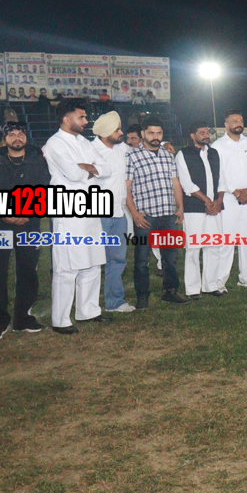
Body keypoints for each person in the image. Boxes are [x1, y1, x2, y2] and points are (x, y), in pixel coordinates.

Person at [43, 99, 113, 333]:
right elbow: (73, 173)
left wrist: (88, 168)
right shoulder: (55, 143)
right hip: (68, 209)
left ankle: (88, 311)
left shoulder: (84, 142)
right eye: (81, 117)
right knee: (66, 267)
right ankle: (61, 320)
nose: (86, 121)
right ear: (66, 118)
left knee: (93, 262)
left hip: (90, 206)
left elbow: (106, 169)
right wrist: (91, 169)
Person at [0, 123, 49, 339]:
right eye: (12, 134)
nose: (17, 138)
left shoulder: (37, 161)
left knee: (28, 270)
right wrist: (5, 215)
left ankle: (23, 317)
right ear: (4, 139)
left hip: (29, 223)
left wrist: (28, 214)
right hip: (0, 223)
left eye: (21, 134)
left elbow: (46, 190)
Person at [126, 116, 187, 307]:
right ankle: (142, 297)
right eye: (151, 133)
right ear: (143, 133)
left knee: (170, 257)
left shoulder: (168, 156)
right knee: (141, 259)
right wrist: (135, 213)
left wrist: (180, 207)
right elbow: (126, 188)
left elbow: (175, 183)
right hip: (146, 216)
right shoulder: (131, 157)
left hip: (168, 214)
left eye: (159, 133)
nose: (155, 137)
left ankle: (170, 291)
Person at [211, 110, 247, 287]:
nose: (239, 124)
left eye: (240, 120)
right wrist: (235, 191)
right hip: (229, 198)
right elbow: (219, 173)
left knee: (246, 237)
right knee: (227, 239)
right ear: (226, 125)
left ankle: (246, 277)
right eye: (234, 121)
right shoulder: (218, 145)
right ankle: (220, 280)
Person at [176, 122, 229, 297]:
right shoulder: (184, 154)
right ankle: (192, 289)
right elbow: (186, 183)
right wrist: (207, 200)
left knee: (213, 246)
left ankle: (210, 286)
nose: (206, 135)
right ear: (192, 136)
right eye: (201, 133)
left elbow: (221, 179)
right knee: (193, 248)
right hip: (194, 208)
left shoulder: (214, 153)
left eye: (207, 132)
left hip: (214, 208)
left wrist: (218, 201)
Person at [91, 111, 134, 313]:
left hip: (119, 213)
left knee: (117, 259)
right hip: (98, 213)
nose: (121, 133)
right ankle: (86, 304)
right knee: (91, 260)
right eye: (117, 130)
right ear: (106, 131)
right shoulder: (90, 150)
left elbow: (140, 151)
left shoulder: (121, 148)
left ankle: (114, 302)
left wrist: (165, 146)